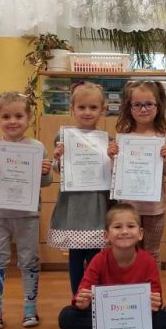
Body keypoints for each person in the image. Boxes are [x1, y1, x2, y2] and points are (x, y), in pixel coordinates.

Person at [0, 92, 53, 329]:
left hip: (28, 216)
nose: (12, 121)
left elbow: (46, 183)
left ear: (29, 118)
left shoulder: (37, 147)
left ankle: (30, 309)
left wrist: (45, 171)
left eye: (19, 116)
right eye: (6, 117)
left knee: (29, 260)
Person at [57, 203, 166, 329]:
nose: (124, 231)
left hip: (134, 318)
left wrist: (154, 304)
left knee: (162, 320)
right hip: (106, 319)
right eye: (117, 227)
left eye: (131, 226)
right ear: (106, 235)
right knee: (66, 316)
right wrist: (82, 302)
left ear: (140, 233)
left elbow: (156, 300)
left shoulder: (148, 261)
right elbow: (82, 292)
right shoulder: (99, 260)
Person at [47, 83, 111, 295]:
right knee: (75, 255)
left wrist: (113, 157)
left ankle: (94, 296)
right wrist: (58, 158)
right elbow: (59, 169)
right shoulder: (63, 137)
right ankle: (77, 296)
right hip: (73, 205)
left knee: (95, 255)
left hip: (96, 204)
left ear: (103, 110)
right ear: (72, 108)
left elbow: (111, 173)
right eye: (82, 107)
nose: (87, 112)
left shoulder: (107, 140)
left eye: (93, 107)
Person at [109, 81, 166, 266]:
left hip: (154, 209)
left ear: (158, 106)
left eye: (149, 104)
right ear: (129, 108)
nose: (143, 109)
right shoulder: (123, 137)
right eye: (137, 105)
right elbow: (114, 173)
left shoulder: (163, 137)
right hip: (128, 207)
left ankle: (152, 285)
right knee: (127, 250)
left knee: (151, 252)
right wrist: (112, 157)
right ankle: (131, 284)